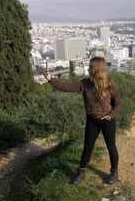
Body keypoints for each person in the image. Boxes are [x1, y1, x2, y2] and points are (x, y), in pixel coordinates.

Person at [44, 57, 121, 185]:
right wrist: (51, 79)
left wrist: (111, 115)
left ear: (97, 69)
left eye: (91, 67)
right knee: (87, 147)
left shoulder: (110, 85)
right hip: (92, 120)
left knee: (111, 147)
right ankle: (81, 171)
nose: (88, 68)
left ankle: (114, 172)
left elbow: (118, 104)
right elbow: (67, 87)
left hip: (107, 120)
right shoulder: (85, 83)